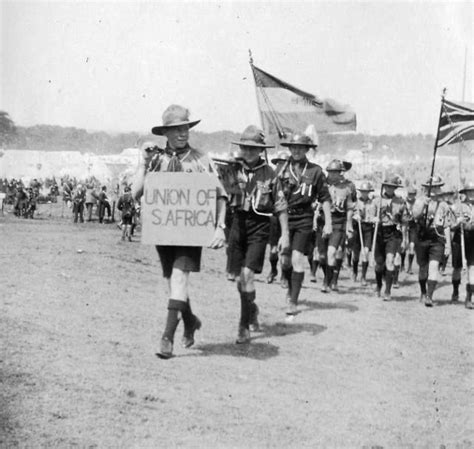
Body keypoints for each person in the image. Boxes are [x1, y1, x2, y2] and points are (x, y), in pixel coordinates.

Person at [132, 104, 227, 359]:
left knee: (179, 279)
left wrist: (220, 227)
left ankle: (166, 338)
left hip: (191, 232)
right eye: (176, 129)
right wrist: (143, 163)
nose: (182, 133)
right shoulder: (157, 159)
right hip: (164, 229)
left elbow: (220, 195)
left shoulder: (201, 159)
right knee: (171, 283)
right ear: (166, 132)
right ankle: (190, 320)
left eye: (185, 128)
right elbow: (135, 192)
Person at [226, 125, 289, 343]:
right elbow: (217, 192)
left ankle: (243, 327)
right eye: (245, 147)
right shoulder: (232, 169)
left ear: (261, 150)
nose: (249, 152)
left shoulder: (269, 173)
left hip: (260, 227)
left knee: (247, 276)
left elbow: (280, 205)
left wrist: (285, 235)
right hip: (237, 225)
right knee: (237, 278)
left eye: (254, 148)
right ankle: (251, 309)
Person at [276, 133, 331, 315]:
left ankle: (293, 300)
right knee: (284, 258)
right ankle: (289, 282)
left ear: (307, 149)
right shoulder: (282, 168)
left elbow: (325, 198)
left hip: (304, 218)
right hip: (284, 218)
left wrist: (328, 223)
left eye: (300, 147)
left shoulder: (315, 171)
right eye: (293, 147)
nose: (296, 150)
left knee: (297, 258)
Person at [412, 175, 451, 307]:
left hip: (437, 237)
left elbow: (446, 225)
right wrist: (424, 205)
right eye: (431, 187)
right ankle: (423, 291)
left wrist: (448, 245)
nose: (434, 190)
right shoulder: (420, 201)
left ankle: (429, 296)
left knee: (434, 266)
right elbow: (415, 215)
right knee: (423, 268)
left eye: (436, 187)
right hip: (422, 236)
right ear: (426, 188)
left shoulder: (444, 205)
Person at [320, 159, 354, 292]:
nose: (333, 175)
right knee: (321, 256)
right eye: (330, 172)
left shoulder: (346, 188)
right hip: (322, 221)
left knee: (332, 252)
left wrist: (349, 224)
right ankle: (328, 276)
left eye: (336, 172)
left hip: (338, 222)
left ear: (340, 173)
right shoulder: (321, 186)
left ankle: (329, 281)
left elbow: (350, 206)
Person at [372, 175, 408, 301]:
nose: (389, 189)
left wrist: (404, 239)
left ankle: (388, 291)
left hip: (393, 233)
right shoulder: (377, 201)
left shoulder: (400, 202)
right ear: (384, 187)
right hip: (379, 233)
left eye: (392, 187)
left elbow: (404, 221)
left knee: (390, 260)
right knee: (379, 265)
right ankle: (378, 285)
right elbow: (371, 215)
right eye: (387, 186)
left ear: (395, 188)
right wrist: (374, 219)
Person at [450, 182, 474, 307]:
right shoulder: (457, 207)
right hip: (460, 239)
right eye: (469, 191)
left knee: (472, 267)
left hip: (473, 239)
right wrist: (458, 222)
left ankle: (469, 298)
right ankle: (455, 292)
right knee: (457, 268)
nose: (472, 194)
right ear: (465, 193)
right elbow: (451, 226)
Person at [352, 181, 376, 286]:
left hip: (368, 228)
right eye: (363, 192)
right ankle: (354, 271)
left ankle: (363, 276)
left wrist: (375, 218)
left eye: (366, 192)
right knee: (356, 254)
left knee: (365, 252)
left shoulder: (373, 203)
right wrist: (354, 216)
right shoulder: (355, 202)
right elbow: (350, 214)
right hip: (357, 228)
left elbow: (375, 214)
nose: (364, 193)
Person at [405, 186, 418, 274]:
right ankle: (402, 264)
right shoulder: (403, 202)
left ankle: (409, 266)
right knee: (403, 246)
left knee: (412, 246)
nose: (411, 196)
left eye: (413, 194)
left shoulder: (417, 203)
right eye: (410, 194)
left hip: (413, 226)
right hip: (404, 226)